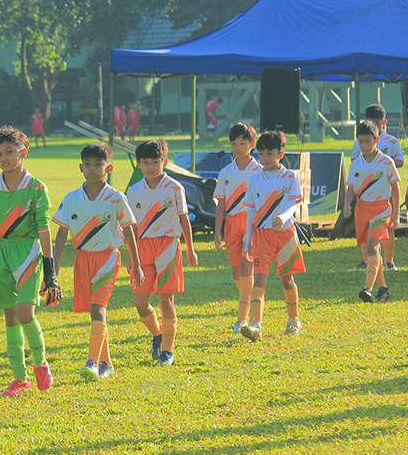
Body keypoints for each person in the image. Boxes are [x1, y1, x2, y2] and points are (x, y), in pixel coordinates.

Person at [51, 142, 142, 381]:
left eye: (98, 165)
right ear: (81, 167)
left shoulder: (116, 198)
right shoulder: (72, 198)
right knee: (94, 312)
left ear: (109, 168)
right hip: (82, 259)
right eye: (88, 165)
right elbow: (62, 229)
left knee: (97, 309)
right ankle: (106, 363)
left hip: (108, 257)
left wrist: (136, 262)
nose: (92, 169)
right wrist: (56, 260)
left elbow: (129, 229)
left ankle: (92, 362)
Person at [0, 125, 59, 397]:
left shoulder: (37, 188)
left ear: (23, 153)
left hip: (29, 253)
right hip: (2, 255)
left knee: (26, 313)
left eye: (10, 152)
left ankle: (41, 364)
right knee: (11, 317)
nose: (4, 158)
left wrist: (51, 273)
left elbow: (45, 229)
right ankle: (19, 378)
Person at [127, 140, 198, 364]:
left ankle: (168, 351)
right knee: (140, 301)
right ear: (138, 164)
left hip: (168, 245)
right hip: (143, 248)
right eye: (145, 162)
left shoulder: (175, 188)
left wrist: (190, 249)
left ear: (164, 162)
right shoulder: (134, 191)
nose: (150, 166)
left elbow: (183, 218)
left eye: (155, 162)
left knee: (166, 300)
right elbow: (131, 226)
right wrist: (132, 256)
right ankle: (158, 334)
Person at [239, 131, 305, 341]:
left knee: (287, 280)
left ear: (281, 153)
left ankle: (294, 320)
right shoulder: (255, 179)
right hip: (261, 237)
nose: (265, 158)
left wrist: (284, 217)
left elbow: (293, 203)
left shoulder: (290, 177)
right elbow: (250, 210)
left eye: (270, 153)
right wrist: (248, 238)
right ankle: (256, 325)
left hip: (285, 235)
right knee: (259, 279)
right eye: (261, 154)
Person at [214, 123, 263, 333]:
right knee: (237, 274)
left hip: (252, 223)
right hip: (231, 224)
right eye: (234, 144)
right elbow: (222, 204)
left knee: (247, 266)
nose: (238, 147)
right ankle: (252, 299)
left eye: (242, 143)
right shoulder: (225, 172)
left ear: (252, 145)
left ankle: (247, 320)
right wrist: (217, 231)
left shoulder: (260, 171)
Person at [343, 121, 400, 304]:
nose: (364, 146)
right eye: (360, 142)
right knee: (371, 251)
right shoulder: (357, 163)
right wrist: (346, 205)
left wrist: (396, 213)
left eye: (368, 141)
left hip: (381, 209)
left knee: (372, 246)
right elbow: (351, 187)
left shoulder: (386, 162)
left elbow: (396, 188)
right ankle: (383, 289)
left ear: (377, 140)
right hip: (362, 210)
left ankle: (367, 288)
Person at [350, 104, 404, 270]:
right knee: (364, 228)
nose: (374, 126)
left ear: (384, 123)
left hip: (384, 190)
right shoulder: (359, 141)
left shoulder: (392, 141)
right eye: (371, 122)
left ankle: (389, 260)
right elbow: (354, 161)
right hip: (365, 193)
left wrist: (382, 166)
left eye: (378, 124)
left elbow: (400, 160)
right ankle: (367, 261)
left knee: (388, 227)